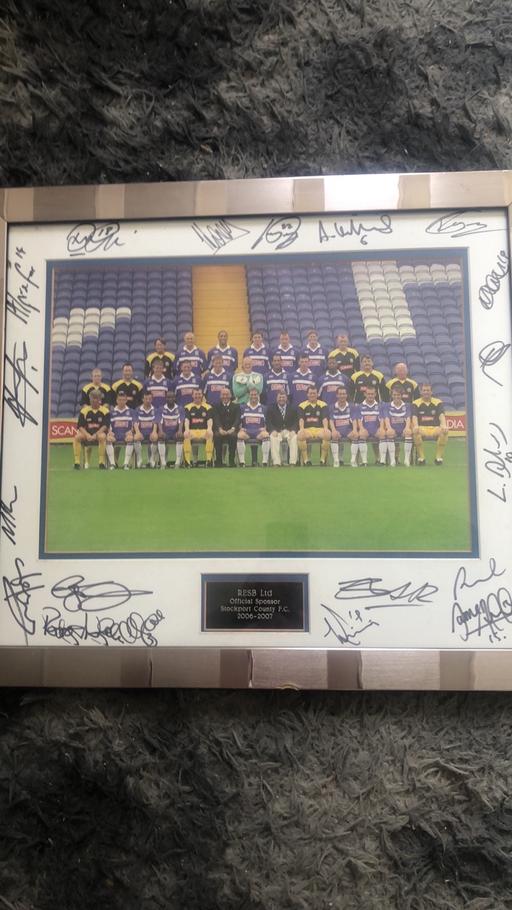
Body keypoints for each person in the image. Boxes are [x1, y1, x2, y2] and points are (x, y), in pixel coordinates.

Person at [412, 383, 448, 465]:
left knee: (444, 431)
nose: (426, 392)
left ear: (431, 392)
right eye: (424, 390)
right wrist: (416, 426)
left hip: (435, 429)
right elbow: (414, 416)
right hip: (422, 428)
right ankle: (421, 458)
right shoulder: (415, 403)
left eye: (428, 390)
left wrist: (444, 425)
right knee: (416, 432)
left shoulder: (438, 402)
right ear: (421, 392)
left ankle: (438, 458)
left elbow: (441, 415)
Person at [72, 389, 108, 470]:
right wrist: (87, 434)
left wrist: (96, 434)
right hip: (87, 433)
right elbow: (80, 426)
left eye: (96, 398)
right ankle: (77, 462)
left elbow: (105, 426)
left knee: (102, 437)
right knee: (77, 437)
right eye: (92, 398)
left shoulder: (105, 411)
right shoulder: (84, 411)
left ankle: (101, 462)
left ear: (100, 399)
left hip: (99, 433)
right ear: (90, 399)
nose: (94, 400)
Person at [352, 387, 386, 467]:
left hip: (376, 429)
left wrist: (381, 428)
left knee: (382, 433)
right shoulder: (359, 406)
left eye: (372, 394)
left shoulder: (380, 406)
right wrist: (361, 429)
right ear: (365, 394)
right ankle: (364, 461)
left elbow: (382, 419)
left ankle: (382, 461)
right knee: (362, 434)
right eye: (368, 394)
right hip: (365, 430)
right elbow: (359, 419)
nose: (370, 396)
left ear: (375, 394)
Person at [297, 387, 330, 466]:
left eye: (314, 393)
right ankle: (306, 460)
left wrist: (326, 428)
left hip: (319, 429)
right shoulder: (302, 405)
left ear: (317, 394)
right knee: (300, 435)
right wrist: (301, 429)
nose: (312, 395)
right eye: (310, 393)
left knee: (328, 434)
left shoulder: (323, 404)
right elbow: (301, 419)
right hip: (307, 430)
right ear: (307, 394)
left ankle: (322, 460)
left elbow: (325, 418)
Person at [237, 388, 270, 466]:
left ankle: (265, 462)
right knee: (240, 435)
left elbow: (268, 422)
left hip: (258, 432)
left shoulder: (264, 408)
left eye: (255, 394)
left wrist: (265, 428)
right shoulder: (243, 407)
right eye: (252, 394)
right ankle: (242, 462)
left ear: (258, 395)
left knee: (266, 435)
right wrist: (240, 428)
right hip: (247, 432)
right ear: (249, 395)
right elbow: (238, 421)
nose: (253, 396)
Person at [266, 389, 299, 467]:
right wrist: (272, 430)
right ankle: (276, 462)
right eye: (280, 397)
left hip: (288, 431)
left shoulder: (292, 408)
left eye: (283, 397)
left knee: (294, 437)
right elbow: (268, 421)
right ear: (276, 398)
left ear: (286, 398)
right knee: (273, 437)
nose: (281, 399)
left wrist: (293, 430)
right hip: (277, 431)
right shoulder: (271, 408)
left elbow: (296, 421)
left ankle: (292, 462)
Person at [183, 387, 214, 467]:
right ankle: (187, 461)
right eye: (196, 394)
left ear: (202, 395)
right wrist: (186, 430)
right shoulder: (188, 407)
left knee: (210, 434)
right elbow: (187, 420)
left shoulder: (208, 407)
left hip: (203, 431)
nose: (197, 396)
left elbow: (209, 420)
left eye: (199, 394)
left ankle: (209, 460)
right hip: (192, 431)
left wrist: (209, 429)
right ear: (192, 395)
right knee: (186, 435)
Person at [383, 387, 413, 467]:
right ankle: (392, 460)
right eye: (394, 395)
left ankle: (406, 460)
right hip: (393, 429)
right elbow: (386, 418)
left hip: (403, 429)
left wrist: (407, 428)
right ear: (392, 395)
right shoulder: (387, 405)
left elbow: (408, 418)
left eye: (398, 395)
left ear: (401, 395)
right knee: (389, 433)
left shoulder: (407, 405)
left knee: (408, 432)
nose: (396, 397)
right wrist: (389, 428)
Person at [329, 386, 358, 468]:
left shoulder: (351, 406)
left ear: (346, 395)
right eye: (340, 394)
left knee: (355, 435)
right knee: (334, 435)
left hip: (347, 430)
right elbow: (331, 420)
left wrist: (355, 430)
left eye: (344, 394)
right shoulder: (332, 407)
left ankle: (353, 460)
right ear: (337, 395)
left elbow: (354, 419)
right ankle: (336, 461)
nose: (342, 396)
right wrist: (333, 430)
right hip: (337, 430)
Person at [105, 390, 135, 470]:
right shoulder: (111, 412)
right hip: (115, 435)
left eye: (123, 400)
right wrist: (109, 432)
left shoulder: (131, 411)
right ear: (116, 400)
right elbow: (108, 425)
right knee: (108, 439)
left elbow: (135, 424)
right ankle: (112, 464)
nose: (121, 402)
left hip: (126, 434)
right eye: (119, 400)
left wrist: (131, 431)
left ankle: (126, 464)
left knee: (130, 438)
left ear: (126, 400)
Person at [212, 387, 241, 467]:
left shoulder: (236, 406)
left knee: (233, 436)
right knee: (217, 436)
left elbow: (238, 419)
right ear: (220, 396)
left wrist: (232, 429)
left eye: (227, 394)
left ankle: (231, 461)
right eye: (223, 394)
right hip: (220, 430)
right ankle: (218, 461)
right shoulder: (216, 406)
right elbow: (216, 419)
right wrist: (220, 429)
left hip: (232, 430)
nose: (225, 396)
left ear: (230, 395)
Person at [158, 389, 184, 470]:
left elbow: (181, 421)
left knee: (180, 436)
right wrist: (161, 431)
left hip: (175, 432)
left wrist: (180, 430)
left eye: (172, 397)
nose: (170, 399)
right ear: (166, 398)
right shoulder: (161, 409)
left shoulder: (180, 408)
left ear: (175, 398)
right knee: (160, 437)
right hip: (165, 432)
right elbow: (159, 422)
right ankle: (163, 463)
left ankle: (177, 462)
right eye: (168, 397)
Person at [133, 391, 159, 468]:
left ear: (152, 399)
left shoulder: (155, 410)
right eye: (146, 399)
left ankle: (152, 459)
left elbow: (155, 423)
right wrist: (138, 432)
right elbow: (135, 422)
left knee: (155, 437)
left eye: (150, 399)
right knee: (136, 437)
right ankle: (139, 459)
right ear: (142, 399)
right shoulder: (137, 409)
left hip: (150, 432)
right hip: (141, 433)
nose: (148, 400)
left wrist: (154, 432)